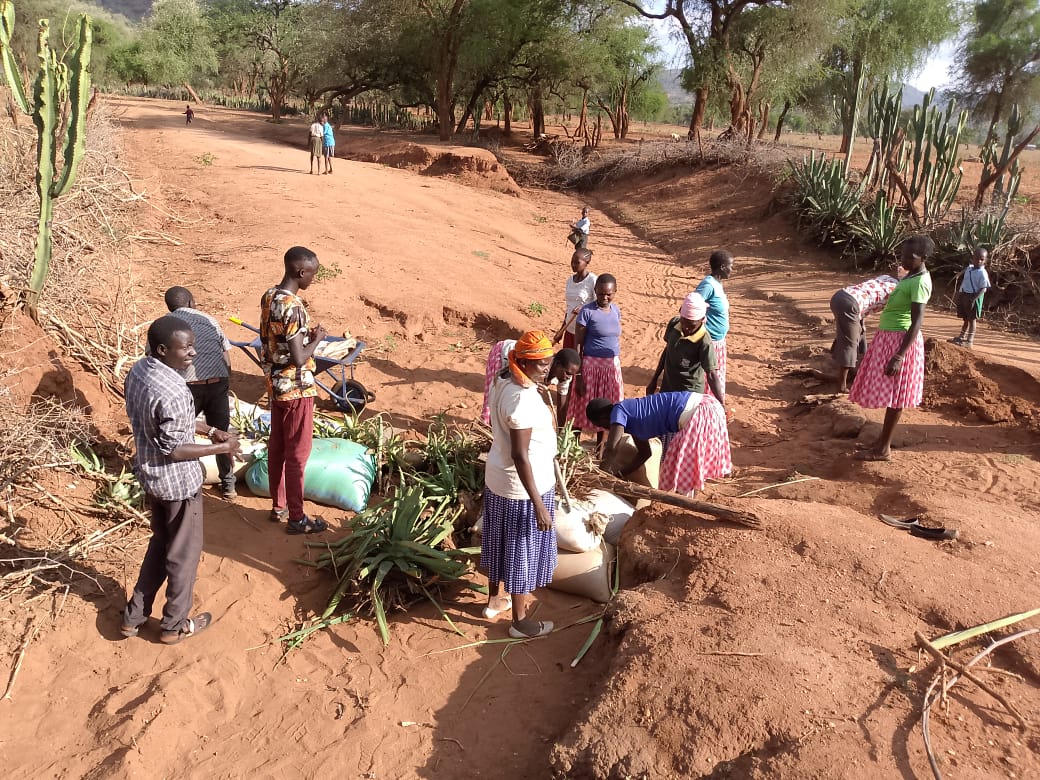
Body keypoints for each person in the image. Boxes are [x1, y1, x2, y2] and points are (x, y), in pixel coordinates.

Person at [121, 316, 242, 644]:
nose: (192, 353)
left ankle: (134, 616)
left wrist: (210, 428)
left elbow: (167, 423)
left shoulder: (139, 371)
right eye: (185, 347)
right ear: (163, 349)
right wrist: (223, 445)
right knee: (183, 555)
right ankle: (174, 626)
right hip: (176, 484)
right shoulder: (174, 388)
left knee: (160, 544)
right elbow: (174, 449)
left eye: (193, 345)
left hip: (151, 477)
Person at [481, 330, 559, 639]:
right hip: (522, 490)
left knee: (500, 541)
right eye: (540, 364)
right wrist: (538, 503)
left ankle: (492, 601)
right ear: (523, 362)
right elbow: (520, 454)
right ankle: (520, 621)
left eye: (548, 362)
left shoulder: (503, 378)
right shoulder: (521, 400)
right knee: (519, 552)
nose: (546, 368)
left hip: (499, 479)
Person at [260, 246, 328, 533]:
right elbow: (300, 357)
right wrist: (318, 339)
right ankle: (298, 518)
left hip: (275, 385)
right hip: (297, 388)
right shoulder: (295, 307)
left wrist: (303, 338)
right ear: (301, 273)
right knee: (298, 452)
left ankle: (279, 505)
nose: (313, 279)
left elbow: (281, 339)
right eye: (312, 274)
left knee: (277, 446)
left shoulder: (269, 296)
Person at [849, 235, 934, 462]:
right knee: (891, 393)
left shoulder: (920, 283)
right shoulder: (911, 277)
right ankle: (881, 444)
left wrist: (899, 356)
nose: (904, 260)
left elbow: (917, 322)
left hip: (900, 342)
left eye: (910, 257)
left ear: (924, 258)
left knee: (896, 396)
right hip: (890, 338)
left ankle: (883, 448)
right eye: (902, 255)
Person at [164, 286, 237, 500]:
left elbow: (157, 361)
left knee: (183, 433)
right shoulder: (209, 320)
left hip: (188, 387)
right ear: (190, 302)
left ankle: (183, 482)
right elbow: (226, 358)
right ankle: (228, 485)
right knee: (221, 433)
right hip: (217, 383)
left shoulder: (166, 326)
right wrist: (224, 380)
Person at [586, 392, 731, 497]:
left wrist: (598, 478)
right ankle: (688, 501)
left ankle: (684, 508)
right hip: (707, 406)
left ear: (603, 417)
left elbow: (611, 448)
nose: (607, 428)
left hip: (700, 411)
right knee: (685, 467)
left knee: (677, 466)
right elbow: (644, 453)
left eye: (602, 425)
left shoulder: (619, 410)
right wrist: (619, 474)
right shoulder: (633, 419)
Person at [566, 274, 623, 439]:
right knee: (582, 407)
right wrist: (579, 375)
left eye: (609, 294)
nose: (604, 297)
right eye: (600, 293)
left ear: (615, 292)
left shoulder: (616, 311)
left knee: (606, 409)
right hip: (591, 367)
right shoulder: (587, 311)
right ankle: (572, 447)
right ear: (595, 291)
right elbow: (578, 344)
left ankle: (600, 450)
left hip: (611, 368)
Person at [646, 291, 725, 403]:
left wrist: (721, 403)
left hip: (690, 394)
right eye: (683, 322)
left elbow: (711, 374)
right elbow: (667, 351)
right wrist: (654, 379)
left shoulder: (704, 341)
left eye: (691, 326)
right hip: (668, 387)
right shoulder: (674, 324)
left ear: (702, 320)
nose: (686, 328)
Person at [829, 273, 900, 393]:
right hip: (851, 304)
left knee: (859, 333)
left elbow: (869, 295)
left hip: (842, 296)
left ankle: (855, 370)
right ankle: (841, 385)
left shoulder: (886, 277)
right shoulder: (899, 292)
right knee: (850, 343)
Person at [481, 342, 580, 427]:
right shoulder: (540, 366)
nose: (568, 377)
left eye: (571, 375)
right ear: (557, 364)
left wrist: (560, 432)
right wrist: (533, 387)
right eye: (567, 373)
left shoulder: (566, 375)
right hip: (503, 353)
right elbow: (521, 380)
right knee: (494, 395)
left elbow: (561, 407)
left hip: (522, 363)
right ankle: (488, 425)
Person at [694, 250, 734, 394]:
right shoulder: (708, 285)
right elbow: (690, 306)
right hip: (710, 342)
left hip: (718, 341)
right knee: (711, 381)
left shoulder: (716, 284)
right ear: (722, 267)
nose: (732, 269)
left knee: (716, 378)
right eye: (731, 266)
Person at [553, 248, 597, 350]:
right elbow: (569, 309)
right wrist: (561, 330)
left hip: (584, 332)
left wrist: (584, 310)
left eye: (577, 262)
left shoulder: (592, 280)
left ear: (587, 263)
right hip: (569, 329)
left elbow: (598, 307)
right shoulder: (569, 281)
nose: (573, 264)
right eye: (572, 261)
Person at [951, 247, 991, 348]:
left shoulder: (982, 273)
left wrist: (973, 299)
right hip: (964, 295)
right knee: (965, 318)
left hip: (974, 297)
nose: (978, 261)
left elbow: (983, 288)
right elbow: (965, 281)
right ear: (972, 258)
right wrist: (960, 293)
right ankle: (961, 337)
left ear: (985, 260)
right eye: (976, 258)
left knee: (972, 319)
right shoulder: (969, 268)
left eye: (982, 259)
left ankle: (969, 341)